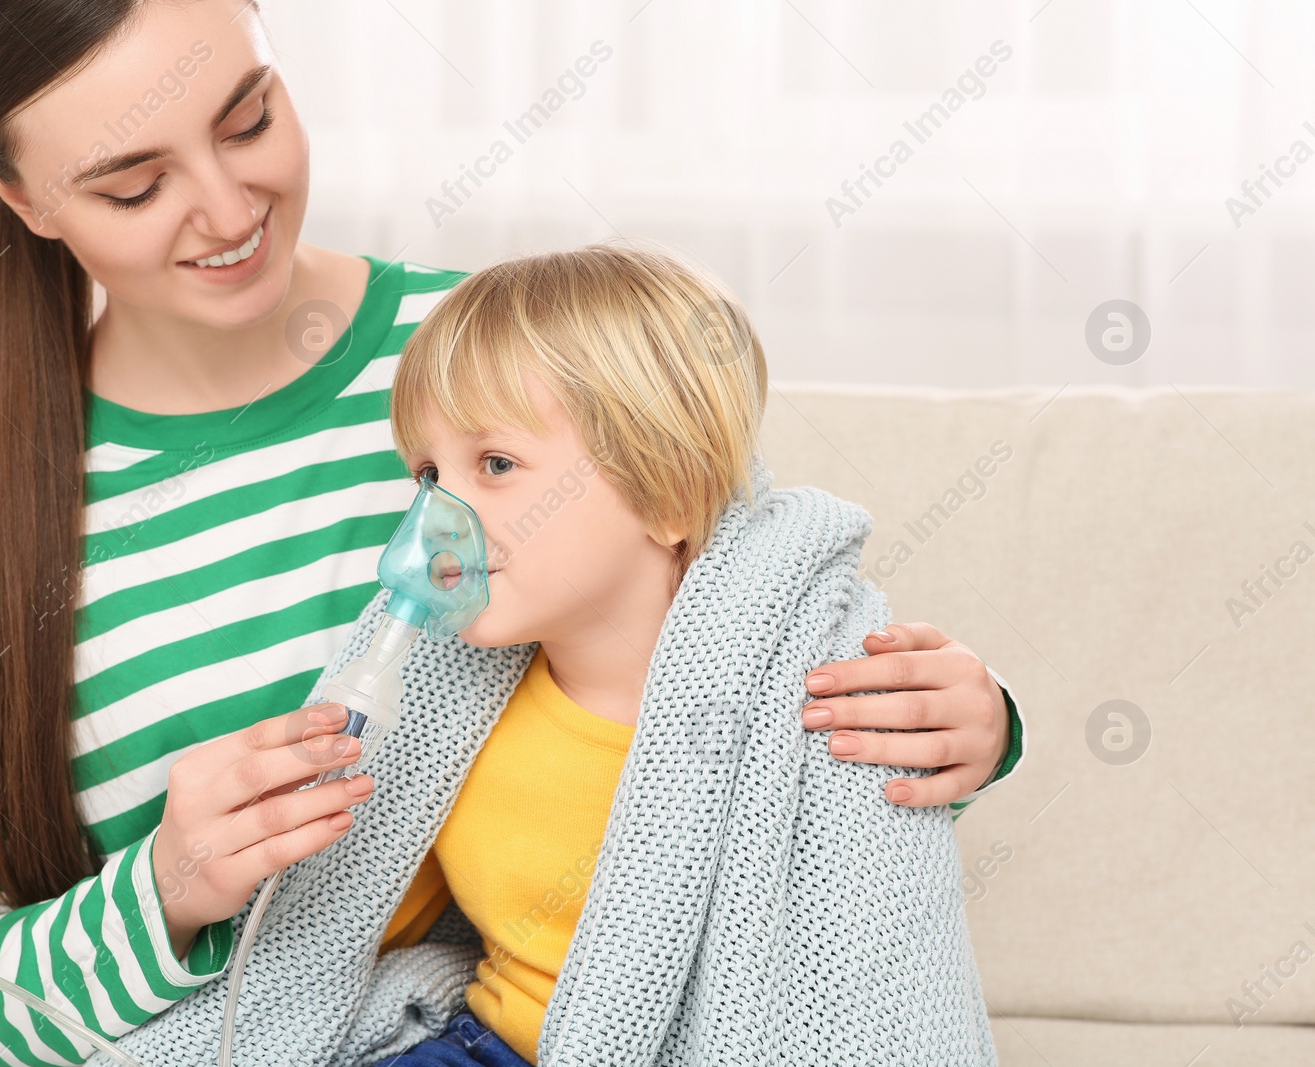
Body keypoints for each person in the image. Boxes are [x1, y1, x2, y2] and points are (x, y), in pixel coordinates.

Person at [0, 2, 1021, 1064]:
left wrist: (962, 726)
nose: (229, 212)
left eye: (249, 120)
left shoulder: (484, 355)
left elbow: (747, 634)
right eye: (133, 187)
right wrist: (167, 889)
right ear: (19, 196)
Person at [108, 241, 996, 1067]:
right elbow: (359, 913)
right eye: (428, 475)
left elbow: (869, 860)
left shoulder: (795, 687)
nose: (436, 519)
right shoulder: (455, 700)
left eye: (495, 464)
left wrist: (985, 727)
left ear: (669, 493)